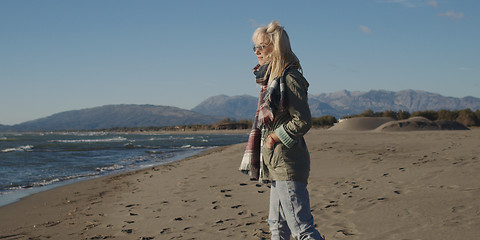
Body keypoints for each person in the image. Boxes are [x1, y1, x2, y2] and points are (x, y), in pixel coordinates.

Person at [247, 20, 324, 240]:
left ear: (277, 48)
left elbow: (303, 120)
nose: (257, 52)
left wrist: (274, 136)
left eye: (262, 46)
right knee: (277, 227)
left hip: (288, 163)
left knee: (302, 229)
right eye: (255, 47)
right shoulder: (272, 80)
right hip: (276, 163)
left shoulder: (290, 78)